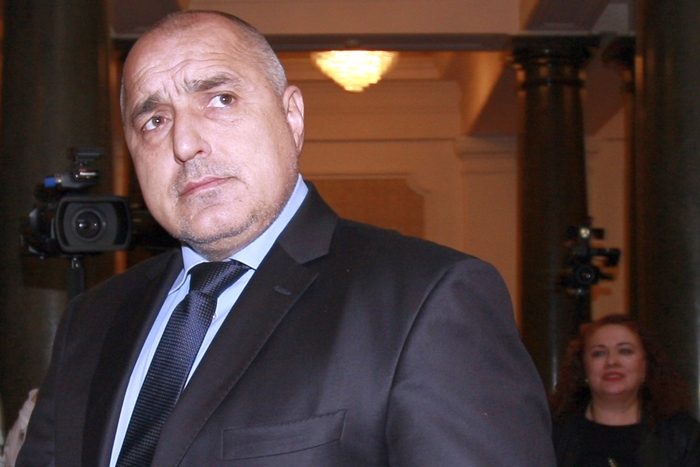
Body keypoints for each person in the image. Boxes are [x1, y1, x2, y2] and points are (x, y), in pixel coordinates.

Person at [16, 10, 555, 466]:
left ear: (292, 117)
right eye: (154, 121)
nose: (184, 142)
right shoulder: (91, 320)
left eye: (220, 99)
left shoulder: (428, 300)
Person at [550, 313, 700, 466]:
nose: (612, 362)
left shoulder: (682, 434)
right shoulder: (553, 432)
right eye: (599, 353)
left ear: (646, 365)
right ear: (583, 367)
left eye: (625, 351)